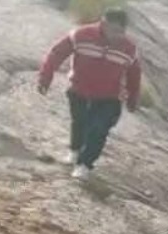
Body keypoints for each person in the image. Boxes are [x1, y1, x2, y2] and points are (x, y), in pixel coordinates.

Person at [37, 8, 142, 180]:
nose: (117, 35)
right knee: (79, 122)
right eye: (113, 29)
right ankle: (74, 150)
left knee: (99, 130)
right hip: (79, 90)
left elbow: (134, 75)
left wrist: (133, 99)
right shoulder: (81, 35)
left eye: (121, 31)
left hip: (109, 97)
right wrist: (45, 77)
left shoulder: (129, 48)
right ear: (103, 24)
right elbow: (56, 53)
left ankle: (84, 165)